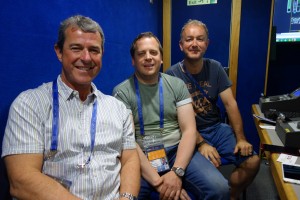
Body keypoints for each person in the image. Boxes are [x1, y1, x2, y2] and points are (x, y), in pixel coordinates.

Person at [1, 15, 140, 200]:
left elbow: (130, 159)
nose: (86, 57)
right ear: (59, 51)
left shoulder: (119, 109)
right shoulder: (29, 104)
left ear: (102, 55)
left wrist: (127, 197)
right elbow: (22, 181)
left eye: (94, 50)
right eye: (76, 48)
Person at [113, 32, 230, 200]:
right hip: (140, 155)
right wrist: (160, 183)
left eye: (153, 52)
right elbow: (129, 141)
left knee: (220, 189)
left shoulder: (177, 85)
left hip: (177, 150)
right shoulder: (122, 92)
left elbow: (189, 130)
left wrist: (176, 172)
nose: (148, 57)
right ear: (133, 60)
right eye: (141, 53)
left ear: (161, 58)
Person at [165, 19, 260, 200]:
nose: (194, 44)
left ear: (206, 44)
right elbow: (176, 119)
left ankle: (230, 195)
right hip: (189, 135)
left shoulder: (215, 68)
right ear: (180, 45)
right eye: (189, 39)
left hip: (217, 129)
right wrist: (201, 143)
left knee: (253, 162)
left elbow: (230, 104)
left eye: (200, 39)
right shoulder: (171, 75)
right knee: (215, 184)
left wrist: (241, 139)